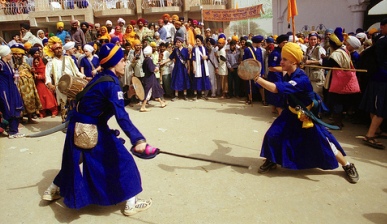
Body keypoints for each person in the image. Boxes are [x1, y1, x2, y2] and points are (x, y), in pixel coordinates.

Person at [41, 43, 154, 216]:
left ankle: (52, 188)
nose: (124, 63)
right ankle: (132, 203)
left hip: (77, 125)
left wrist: (127, 96)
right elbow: (121, 116)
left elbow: (105, 103)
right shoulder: (112, 84)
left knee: (75, 158)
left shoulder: (99, 77)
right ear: (113, 62)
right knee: (123, 160)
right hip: (92, 128)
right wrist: (138, 140)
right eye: (122, 60)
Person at [254, 42, 359, 184]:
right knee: (273, 135)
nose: (281, 61)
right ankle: (272, 160)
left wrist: (257, 78)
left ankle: (347, 165)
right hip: (291, 113)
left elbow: (275, 89)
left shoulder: (301, 79)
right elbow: (280, 78)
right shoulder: (289, 74)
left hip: (306, 116)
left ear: (294, 61)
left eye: (285, 59)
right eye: (282, 58)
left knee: (325, 142)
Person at [359, 18, 387, 149]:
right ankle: (370, 135)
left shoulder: (380, 40)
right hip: (382, 78)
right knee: (380, 108)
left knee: (374, 107)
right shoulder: (384, 41)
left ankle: (376, 130)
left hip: (376, 77)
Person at [10, 44, 42, 123]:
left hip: (28, 89)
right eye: (15, 54)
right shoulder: (11, 65)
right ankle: (19, 121)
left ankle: (30, 118)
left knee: (30, 102)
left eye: (19, 54)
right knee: (19, 103)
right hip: (18, 88)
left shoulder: (25, 64)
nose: (17, 56)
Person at [0, 45, 25, 138]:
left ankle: (13, 130)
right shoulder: (1, 64)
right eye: (10, 53)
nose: (11, 55)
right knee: (8, 110)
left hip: (11, 89)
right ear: (5, 54)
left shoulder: (7, 64)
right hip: (4, 90)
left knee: (15, 108)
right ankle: (11, 131)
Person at [162, 36, 190, 101]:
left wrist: (188, 68)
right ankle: (176, 95)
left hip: (183, 67)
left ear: (182, 43)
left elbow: (188, 59)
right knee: (176, 80)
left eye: (178, 42)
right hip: (177, 67)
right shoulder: (175, 50)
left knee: (184, 80)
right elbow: (170, 58)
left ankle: (185, 94)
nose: (177, 43)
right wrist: (163, 62)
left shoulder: (185, 50)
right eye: (177, 42)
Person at [140, 46, 167, 112]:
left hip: (148, 77)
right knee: (148, 91)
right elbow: (152, 69)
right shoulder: (149, 60)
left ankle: (161, 102)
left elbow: (144, 69)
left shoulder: (145, 60)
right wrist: (156, 68)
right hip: (150, 78)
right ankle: (143, 106)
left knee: (155, 88)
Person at [266, 34, 288, 115]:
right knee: (278, 93)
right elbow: (271, 67)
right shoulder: (275, 53)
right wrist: (286, 68)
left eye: (286, 42)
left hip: (282, 76)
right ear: (279, 43)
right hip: (275, 76)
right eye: (283, 43)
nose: (285, 44)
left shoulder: (284, 52)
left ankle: (274, 109)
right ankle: (280, 112)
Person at [31, 54, 58, 118]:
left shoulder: (44, 68)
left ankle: (54, 111)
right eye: (35, 62)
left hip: (44, 85)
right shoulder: (33, 69)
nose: (36, 64)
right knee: (40, 100)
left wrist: (38, 76)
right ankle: (42, 113)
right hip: (37, 86)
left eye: (37, 62)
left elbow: (45, 76)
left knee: (48, 98)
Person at [192, 35, 211, 100]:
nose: (197, 42)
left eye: (198, 41)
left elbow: (208, 56)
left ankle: (204, 94)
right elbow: (193, 59)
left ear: (201, 41)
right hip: (198, 66)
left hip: (204, 66)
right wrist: (194, 68)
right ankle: (196, 94)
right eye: (196, 41)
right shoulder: (194, 49)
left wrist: (206, 57)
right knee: (197, 80)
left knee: (204, 79)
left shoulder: (204, 48)